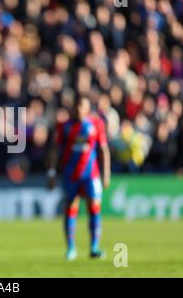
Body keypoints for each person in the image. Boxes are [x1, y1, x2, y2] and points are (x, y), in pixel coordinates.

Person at [47, 95, 111, 260]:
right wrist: (52, 172)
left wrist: (106, 174)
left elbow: (103, 149)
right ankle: (71, 249)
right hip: (71, 174)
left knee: (94, 208)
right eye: (77, 106)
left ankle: (94, 247)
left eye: (82, 106)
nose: (79, 109)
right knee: (70, 208)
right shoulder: (65, 126)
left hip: (91, 174)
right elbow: (55, 150)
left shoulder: (96, 124)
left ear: (88, 108)